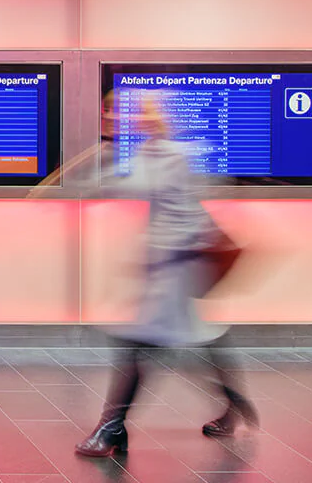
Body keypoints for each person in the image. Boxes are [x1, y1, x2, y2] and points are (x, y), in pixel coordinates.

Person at [73, 96, 257, 457]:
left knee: (139, 345)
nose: (115, 118)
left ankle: (111, 429)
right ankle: (236, 408)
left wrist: (160, 257)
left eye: (123, 113)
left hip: (176, 271)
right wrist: (104, 154)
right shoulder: (153, 153)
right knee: (196, 339)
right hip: (169, 271)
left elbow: (183, 212)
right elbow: (117, 186)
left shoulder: (180, 155)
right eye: (109, 113)